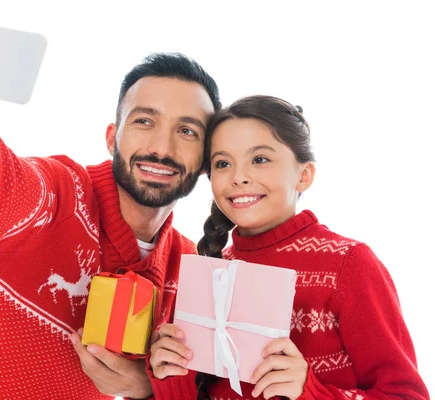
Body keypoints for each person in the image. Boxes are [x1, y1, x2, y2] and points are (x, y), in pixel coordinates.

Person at [0, 1, 222, 399]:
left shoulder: (191, 275)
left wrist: (151, 390)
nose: (162, 147)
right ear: (112, 138)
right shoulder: (55, 195)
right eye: (144, 121)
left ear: (207, 161)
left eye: (188, 131)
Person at [148, 95, 430, 399]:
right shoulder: (211, 271)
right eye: (223, 163)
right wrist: (169, 374)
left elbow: (407, 395)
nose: (239, 177)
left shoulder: (349, 265)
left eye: (260, 159)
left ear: (304, 175)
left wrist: (309, 391)